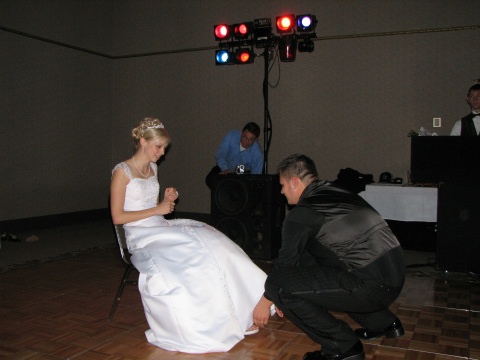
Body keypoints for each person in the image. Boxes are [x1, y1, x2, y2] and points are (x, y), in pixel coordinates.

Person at [110, 117, 274, 353]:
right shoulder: (122, 171)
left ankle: (243, 309)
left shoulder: (153, 168)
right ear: (143, 142)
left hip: (158, 226)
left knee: (215, 240)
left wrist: (166, 201)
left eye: (164, 148)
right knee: (194, 255)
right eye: (159, 147)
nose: (162, 152)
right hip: (140, 235)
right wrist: (158, 209)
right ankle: (210, 325)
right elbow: (117, 216)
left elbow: (149, 205)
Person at [253, 154, 405, 360]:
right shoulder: (335, 191)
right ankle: (384, 323)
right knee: (315, 256)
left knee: (279, 286)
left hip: (371, 286)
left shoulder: (302, 214)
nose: (281, 191)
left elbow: (284, 268)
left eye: (283, 185)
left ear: (295, 182)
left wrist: (267, 300)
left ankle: (343, 347)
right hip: (394, 273)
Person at [205, 122, 264, 188]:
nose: (246, 141)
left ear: (256, 140)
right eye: (244, 136)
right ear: (241, 133)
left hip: (241, 172)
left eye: (250, 139)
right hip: (224, 166)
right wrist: (225, 168)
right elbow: (221, 153)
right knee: (211, 179)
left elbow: (255, 176)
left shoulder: (258, 154)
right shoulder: (231, 136)